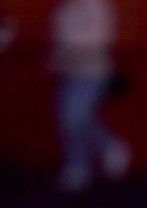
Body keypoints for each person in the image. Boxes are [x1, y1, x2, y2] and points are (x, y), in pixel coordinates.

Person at [51, 0, 130, 191]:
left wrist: (70, 55)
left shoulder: (98, 7)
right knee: (67, 119)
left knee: (75, 115)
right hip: (70, 73)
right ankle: (78, 166)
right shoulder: (64, 10)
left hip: (95, 73)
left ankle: (110, 146)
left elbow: (99, 42)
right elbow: (60, 43)